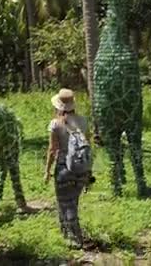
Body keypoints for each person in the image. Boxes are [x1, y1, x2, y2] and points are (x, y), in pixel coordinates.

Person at [44, 88, 91, 248]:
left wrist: (47, 170)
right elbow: (88, 145)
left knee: (65, 203)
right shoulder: (83, 121)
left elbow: (52, 149)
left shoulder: (55, 124)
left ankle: (76, 239)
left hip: (64, 169)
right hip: (81, 169)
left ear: (58, 106)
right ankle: (65, 234)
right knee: (72, 202)